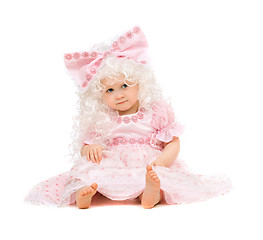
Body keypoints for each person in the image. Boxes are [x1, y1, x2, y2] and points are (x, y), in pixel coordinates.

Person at [25, 26, 232, 209]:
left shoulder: (155, 111)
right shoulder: (102, 118)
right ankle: (85, 194)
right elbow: (86, 146)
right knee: (88, 173)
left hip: (148, 163)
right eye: (110, 90)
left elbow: (173, 143)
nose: (119, 94)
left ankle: (149, 195)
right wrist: (91, 148)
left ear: (139, 83)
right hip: (112, 164)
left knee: (157, 180)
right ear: (99, 96)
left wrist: (160, 163)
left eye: (124, 85)